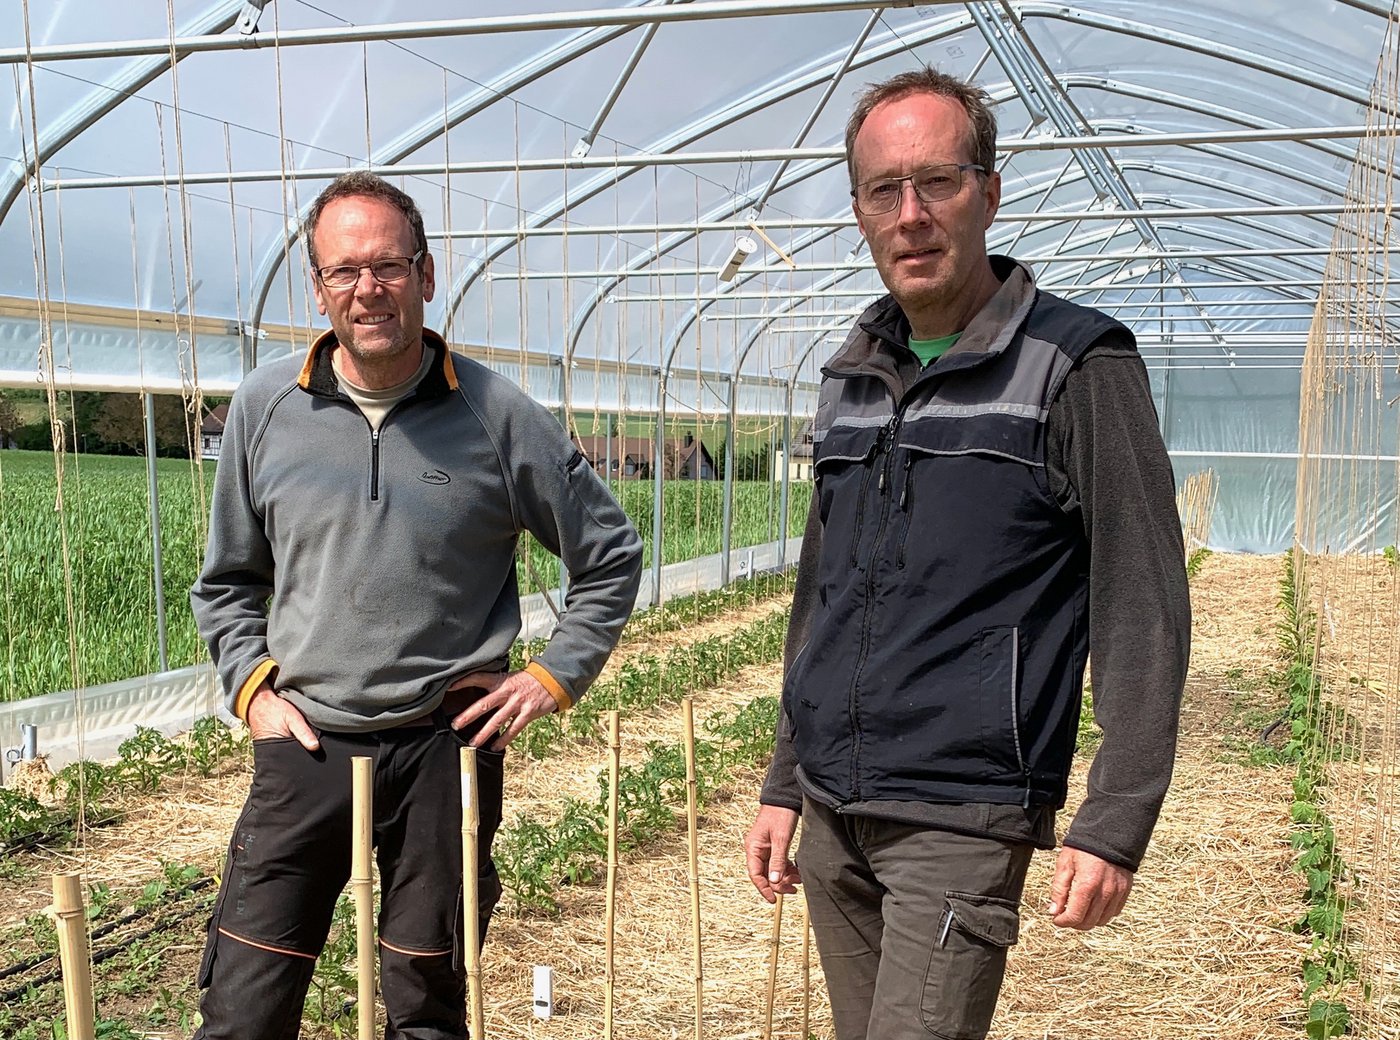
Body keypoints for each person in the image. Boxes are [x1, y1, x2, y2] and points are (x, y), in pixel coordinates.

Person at [743, 68, 1190, 1040]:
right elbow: (822, 595)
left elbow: (1140, 595)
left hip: (959, 811)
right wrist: (784, 780)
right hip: (833, 807)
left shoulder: (1075, 364)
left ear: (987, 192)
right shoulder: (851, 374)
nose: (910, 214)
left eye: (936, 182)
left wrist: (1115, 814)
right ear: (858, 212)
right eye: (882, 190)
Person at [190, 171, 643, 1040]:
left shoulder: (497, 415)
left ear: (426, 275)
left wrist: (552, 677)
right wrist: (254, 694)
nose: (368, 289)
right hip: (308, 741)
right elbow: (228, 581)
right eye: (344, 270)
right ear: (318, 288)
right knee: (244, 1004)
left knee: (426, 1002)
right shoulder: (264, 409)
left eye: (388, 266)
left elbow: (611, 553)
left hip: (447, 746)